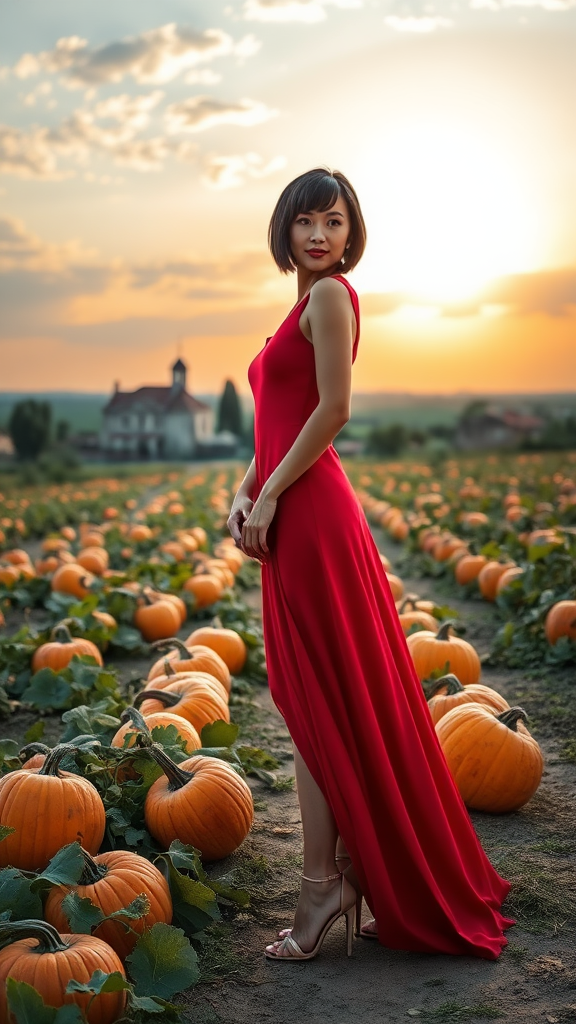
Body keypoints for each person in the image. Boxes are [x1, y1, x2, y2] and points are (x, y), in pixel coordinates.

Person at [226, 167, 514, 962]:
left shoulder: (331, 297)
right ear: (284, 231)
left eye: (335, 222)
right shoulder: (297, 307)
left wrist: (275, 494)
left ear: (351, 235)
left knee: (315, 700)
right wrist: (244, 490)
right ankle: (339, 878)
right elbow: (277, 425)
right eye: (305, 222)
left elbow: (333, 411)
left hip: (313, 515)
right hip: (292, 507)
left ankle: (324, 888)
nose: (320, 236)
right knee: (312, 698)